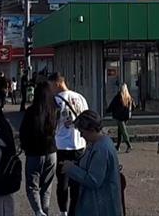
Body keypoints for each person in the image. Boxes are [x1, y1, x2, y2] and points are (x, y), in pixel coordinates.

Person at [59, 110, 123, 216]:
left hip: (100, 207)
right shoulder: (98, 143)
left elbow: (94, 180)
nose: (81, 135)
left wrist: (71, 169)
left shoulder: (101, 148)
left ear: (91, 129)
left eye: (82, 132)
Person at [50, 72, 90, 216]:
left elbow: (52, 124)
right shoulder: (80, 97)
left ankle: (63, 212)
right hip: (80, 144)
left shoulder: (56, 100)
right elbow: (87, 118)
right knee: (77, 182)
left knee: (62, 182)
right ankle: (75, 210)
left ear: (57, 83)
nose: (50, 89)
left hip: (62, 146)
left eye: (51, 85)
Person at [20, 81, 59, 216]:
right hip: (51, 151)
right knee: (47, 186)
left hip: (34, 152)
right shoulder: (54, 110)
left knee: (32, 186)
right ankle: (44, 211)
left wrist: (23, 146)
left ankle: (38, 211)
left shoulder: (31, 111)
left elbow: (23, 132)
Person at [106, 84, 136, 153]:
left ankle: (129, 145)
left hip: (119, 117)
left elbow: (112, 105)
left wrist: (107, 110)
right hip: (126, 117)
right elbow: (133, 106)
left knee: (123, 131)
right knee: (120, 131)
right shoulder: (129, 97)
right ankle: (118, 146)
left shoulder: (118, 97)